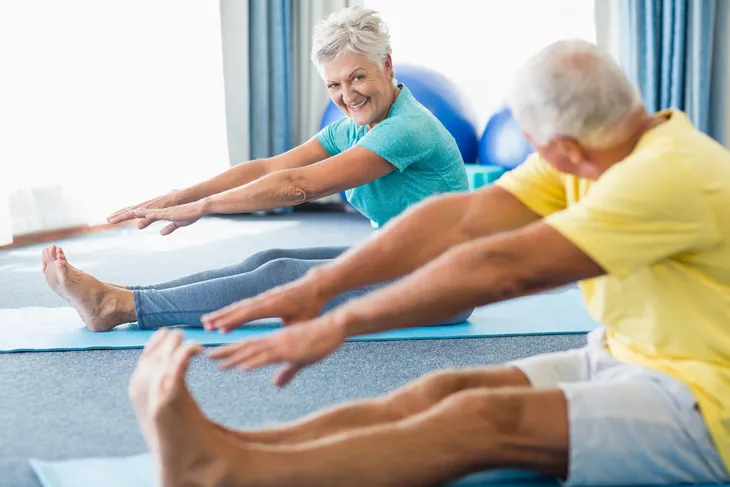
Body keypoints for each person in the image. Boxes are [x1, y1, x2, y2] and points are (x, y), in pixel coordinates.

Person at [129, 39, 730, 486]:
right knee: (447, 385)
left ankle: (228, 473)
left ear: (563, 145)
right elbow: (460, 218)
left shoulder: (668, 176)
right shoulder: (598, 144)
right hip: (625, 355)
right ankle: (232, 445)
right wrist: (326, 286)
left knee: (481, 418)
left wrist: (339, 321)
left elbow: (501, 268)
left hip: (707, 408)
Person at [39, 6, 471, 332]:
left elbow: (298, 186)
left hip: (440, 283)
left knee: (281, 276)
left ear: (387, 65)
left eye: (357, 77)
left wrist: (205, 207)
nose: (347, 95)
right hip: (397, 259)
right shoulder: (355, 129)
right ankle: (126, 298)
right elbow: (269, 166)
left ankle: (118, 308)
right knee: (269, 258)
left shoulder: (406, 129)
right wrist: (179, 196)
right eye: (334, 85)